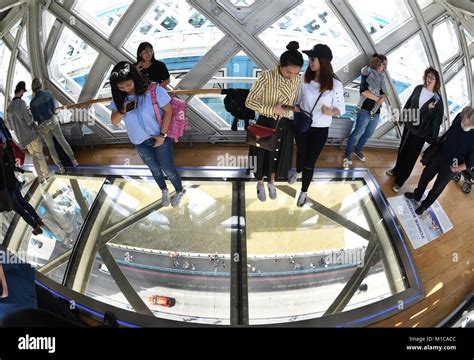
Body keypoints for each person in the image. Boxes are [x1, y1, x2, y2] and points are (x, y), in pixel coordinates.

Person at [109, 61, 185, 208]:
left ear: (135, 78)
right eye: (121, 87)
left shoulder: (154, 90)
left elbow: (168, 111)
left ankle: (180, 190)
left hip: (159, 137)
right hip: (139, 142)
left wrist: (162, 136)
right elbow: (114, 120)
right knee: (155, 169)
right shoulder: (120, 98)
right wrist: (123, 109)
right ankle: (164, 190)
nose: (126, 89)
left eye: (128, 85)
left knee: (169, 169)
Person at [245, 41, 303, 202]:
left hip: (285, 123)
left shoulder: (297, 80)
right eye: (288, 72)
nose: (291, 76)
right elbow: (249, 102)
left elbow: (289, 102)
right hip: (265, 122)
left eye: (295, 73)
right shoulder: (266, 76)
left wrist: (293, 108)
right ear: (280, 65)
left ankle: (272, 181)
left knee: (279, 154)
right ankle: (259, 182)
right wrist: (272, 109)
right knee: (262, 154)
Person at [289, 44, 345, 207]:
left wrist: (330, 111)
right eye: (309, 59)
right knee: (299, 152)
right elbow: (298, 98)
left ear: (323, 61)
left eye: (313, 59)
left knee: (309, 162)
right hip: (301, 123)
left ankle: (304, 191)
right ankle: (297, 172)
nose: (310, 62)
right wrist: (295, 107)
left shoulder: (335, 84)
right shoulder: (304, 78)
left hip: (320, 130)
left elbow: (341, 108)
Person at [405, 106, 474, 215]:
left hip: (453, 165)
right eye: (462, 118)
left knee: (437, 188)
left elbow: (471, 162)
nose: (462, 122)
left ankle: (424, 206)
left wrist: (458, 168)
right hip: (440, 155)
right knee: (425, 176)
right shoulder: (458, 118)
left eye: (466, 122)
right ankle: (417, 194)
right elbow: (449, 133)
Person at [387, 67, 444, 193]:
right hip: (409, 126)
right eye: (428, 76)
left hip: (420, 133)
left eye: (432, 78)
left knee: (410, 157)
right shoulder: (418, 88)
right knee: (402, 150)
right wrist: (402, 117)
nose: (429, 80)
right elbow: (408, 103)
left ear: (436, 81)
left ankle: (400, 181)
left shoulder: (437, 100)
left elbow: (436, 121)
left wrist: (429, 110)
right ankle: (396, 169)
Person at [344, 54, 388, 166]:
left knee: (369, 132)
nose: (385, 67)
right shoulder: (367, 74)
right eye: (384, 64)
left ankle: (357, 150)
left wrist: (383, 97)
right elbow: (364, 92)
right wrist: (378, 98)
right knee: (358, 131)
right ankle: (347, 153)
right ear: (378, 63)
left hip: (375, 111)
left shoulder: (381, 77)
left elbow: (384, 92)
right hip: (364, 109)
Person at [29, 78, 79, 175]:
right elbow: (53, 109)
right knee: (62, 141)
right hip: (52, 121)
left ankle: (60, 167)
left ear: (33, 88)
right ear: (41, 84)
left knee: (51, 146)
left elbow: (35, 118)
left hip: (43, 127)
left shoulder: (32, 103)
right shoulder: (48, 94)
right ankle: (73, 160)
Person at [7, 81, 50, 183]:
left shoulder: (9, 109)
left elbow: (11, 127)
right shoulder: (21, 104)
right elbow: (28, 121)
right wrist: (30, 114)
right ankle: (47, 175)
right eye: (23, 92)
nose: (23, 94)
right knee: (39, 154)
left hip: (23, 139)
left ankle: (40, 177)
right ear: (21, 90)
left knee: (34, 156)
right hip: (31, 134)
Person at [0, 143, 44, 235]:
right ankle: (38, 219)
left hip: (6, 189)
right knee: (23, 202)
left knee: (20, 210)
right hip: (13, 181)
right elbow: (11, 162)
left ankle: (36, 227)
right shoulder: (3, 152)